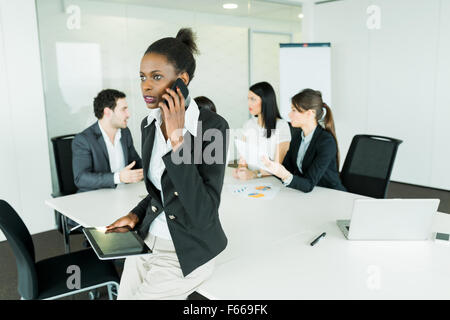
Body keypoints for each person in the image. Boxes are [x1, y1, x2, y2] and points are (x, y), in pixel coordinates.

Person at [106, 28, 229, 300]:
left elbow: (203, 210)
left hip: (186, 252)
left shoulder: (213, 129)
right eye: (142, 77)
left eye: (157, 77)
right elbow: (161, 189)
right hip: (148, 239)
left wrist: (177, 139)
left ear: (181, 80)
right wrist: (136, 214)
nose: (145, 86)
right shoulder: (148, 124)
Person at [262, 88, 346, 193]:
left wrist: (284, 174)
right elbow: (286, 169)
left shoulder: (326, 142)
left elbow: (308, 184)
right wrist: (272, 167)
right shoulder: (297, 137)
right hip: (310, 194)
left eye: (294, 110)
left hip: (330, 195)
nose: (289, 115)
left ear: (310, 113)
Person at [72, 89, 144, 193]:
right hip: (95, 198)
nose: (128, 114)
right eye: (123, 109)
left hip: (123, 193)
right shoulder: (83, 140)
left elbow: (135, 162)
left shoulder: (124, 132)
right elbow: (81, 179)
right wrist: (118, 177)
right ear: (108, 112)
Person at [233, 81, 291, 180]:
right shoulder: (248, 124)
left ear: (265, 101)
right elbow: (243, 157)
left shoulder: (281, 126)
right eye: (248, 99)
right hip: (251, 181)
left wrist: (254, 174)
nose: (249, 103)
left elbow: (277, 166)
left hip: (272, 181)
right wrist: (241, 169)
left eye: (253, 99)